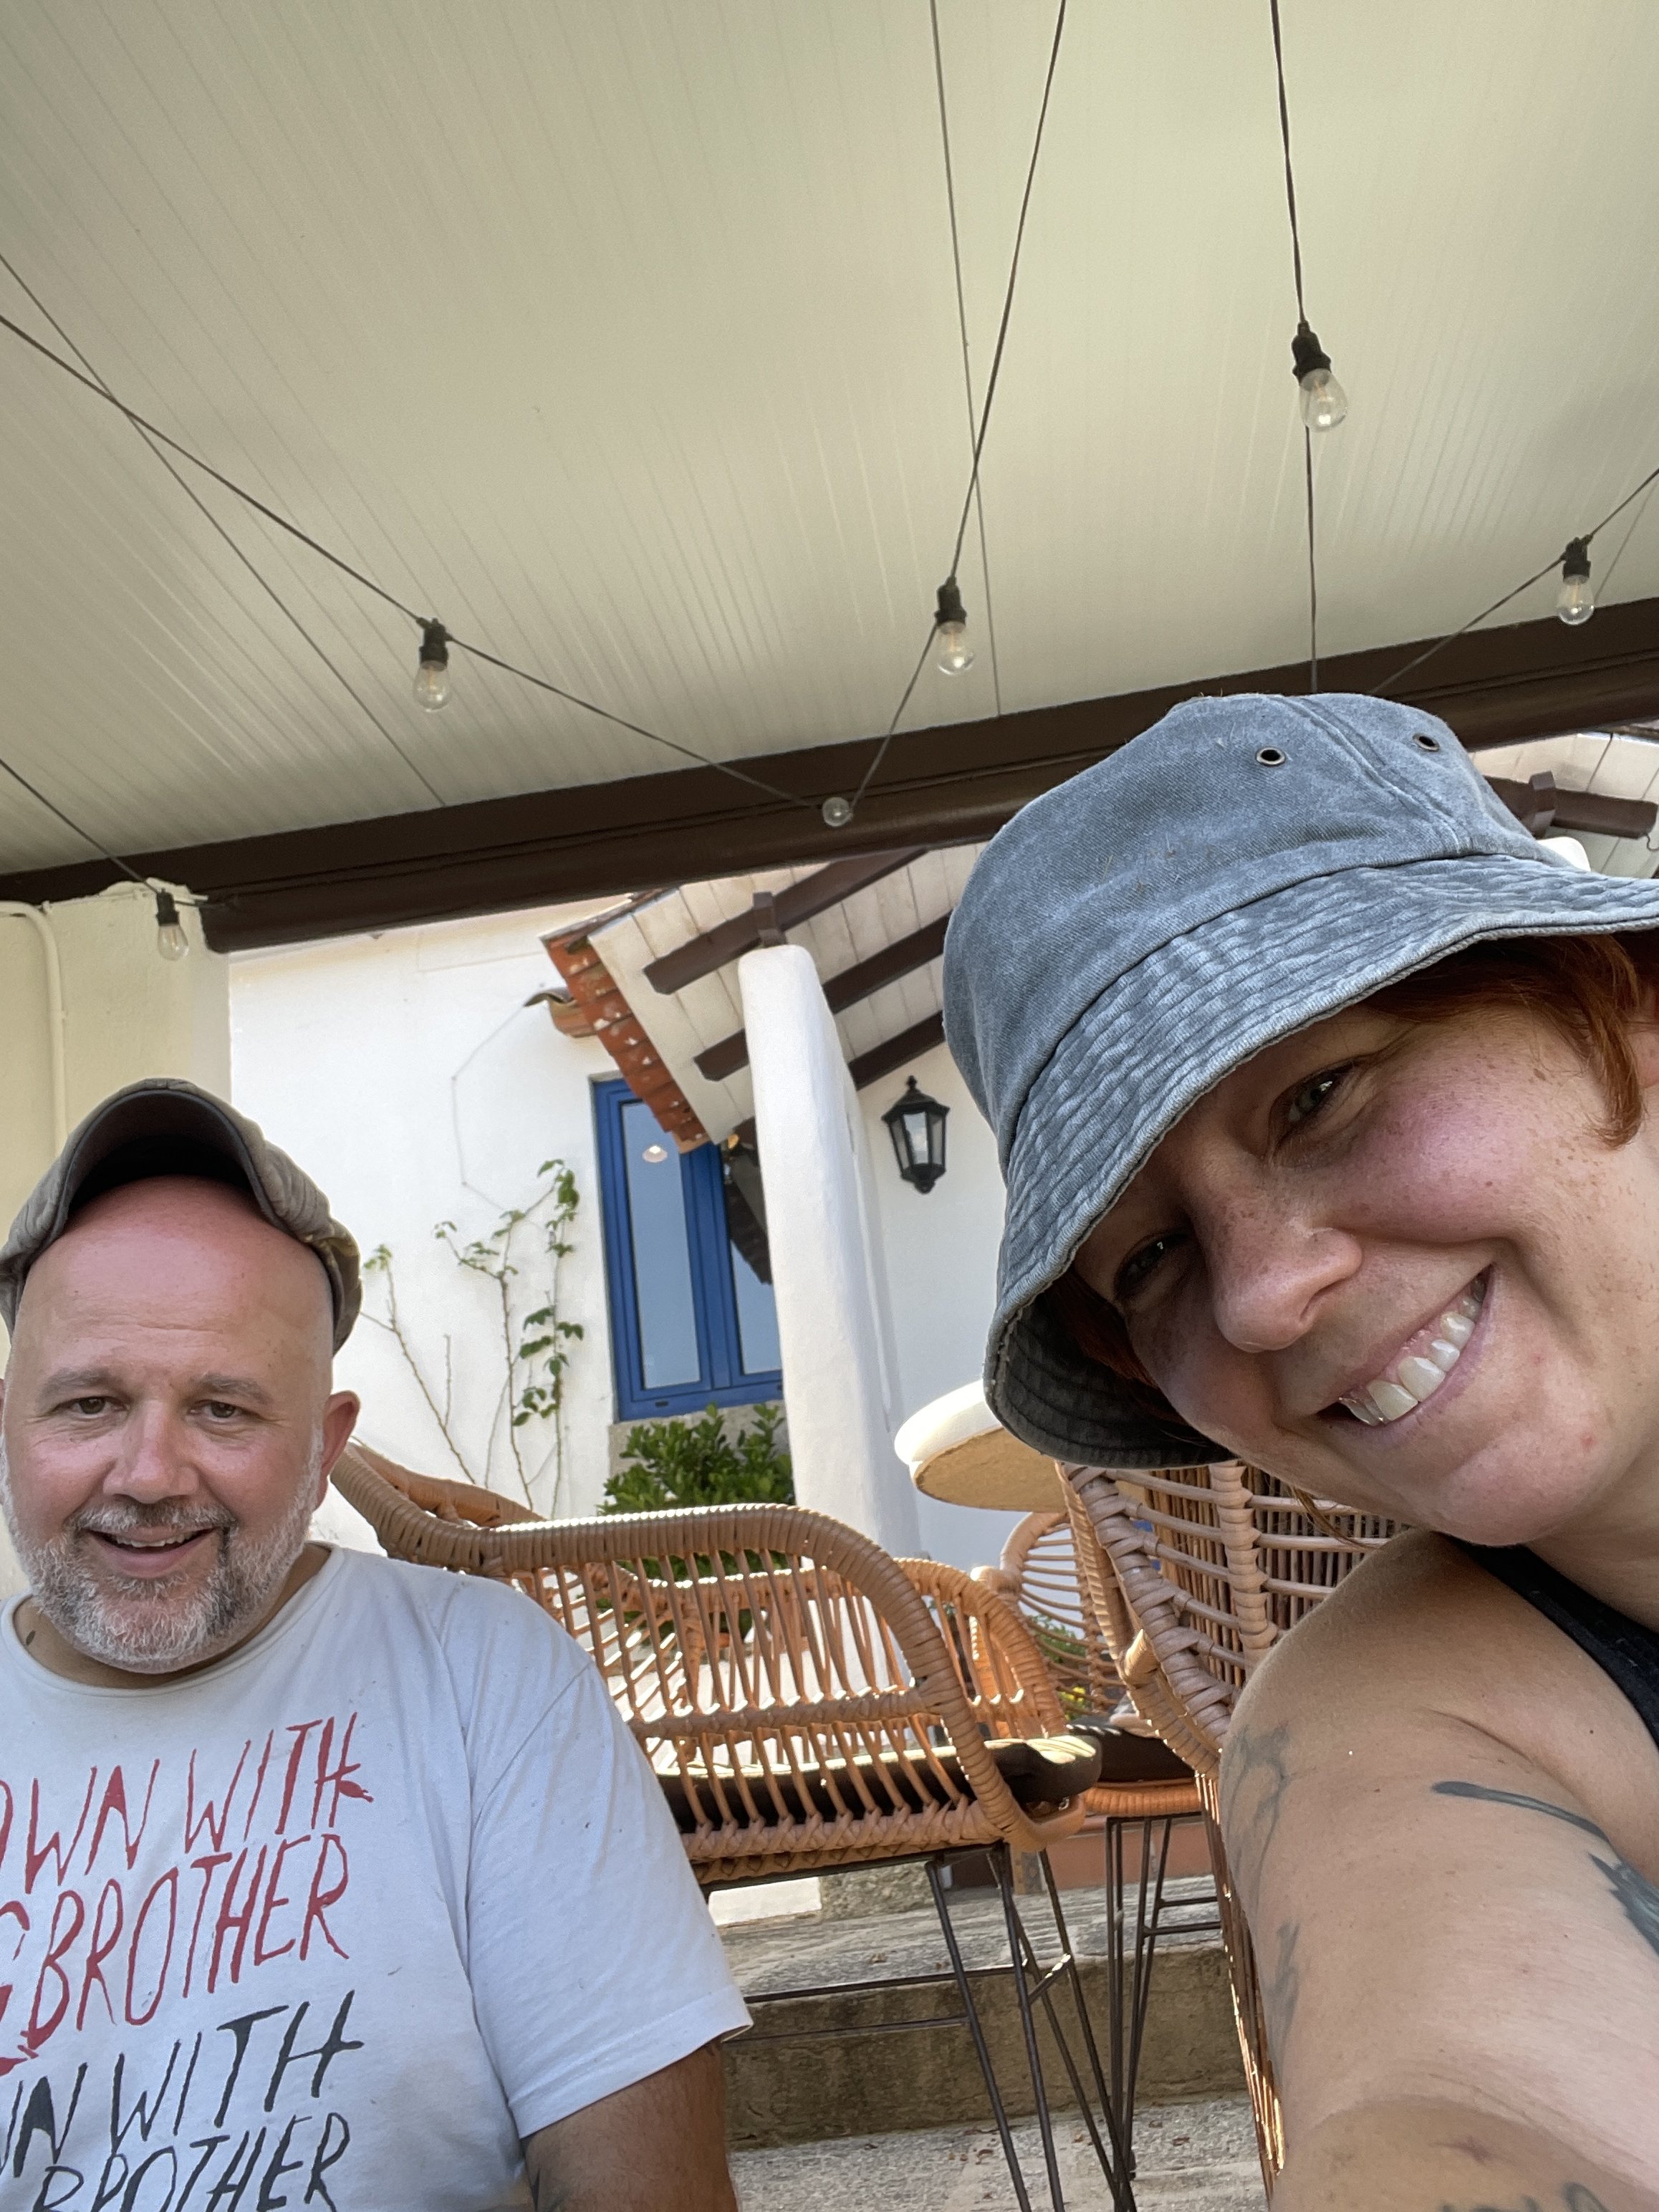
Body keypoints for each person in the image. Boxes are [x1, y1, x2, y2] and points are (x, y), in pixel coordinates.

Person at [944, 693, 1659, 2211]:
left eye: (1322, 1093)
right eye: (1150, 1261)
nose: (1262, 1294)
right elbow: (1468, 2102)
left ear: (1622, 1000)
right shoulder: (1378, 1711)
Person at [0, 1079, 746, 2211]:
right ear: (10, 1422)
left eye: (224, 1409)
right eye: (90, 1404)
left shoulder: (487, 1683)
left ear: (324, 1442)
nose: (149, 1477)